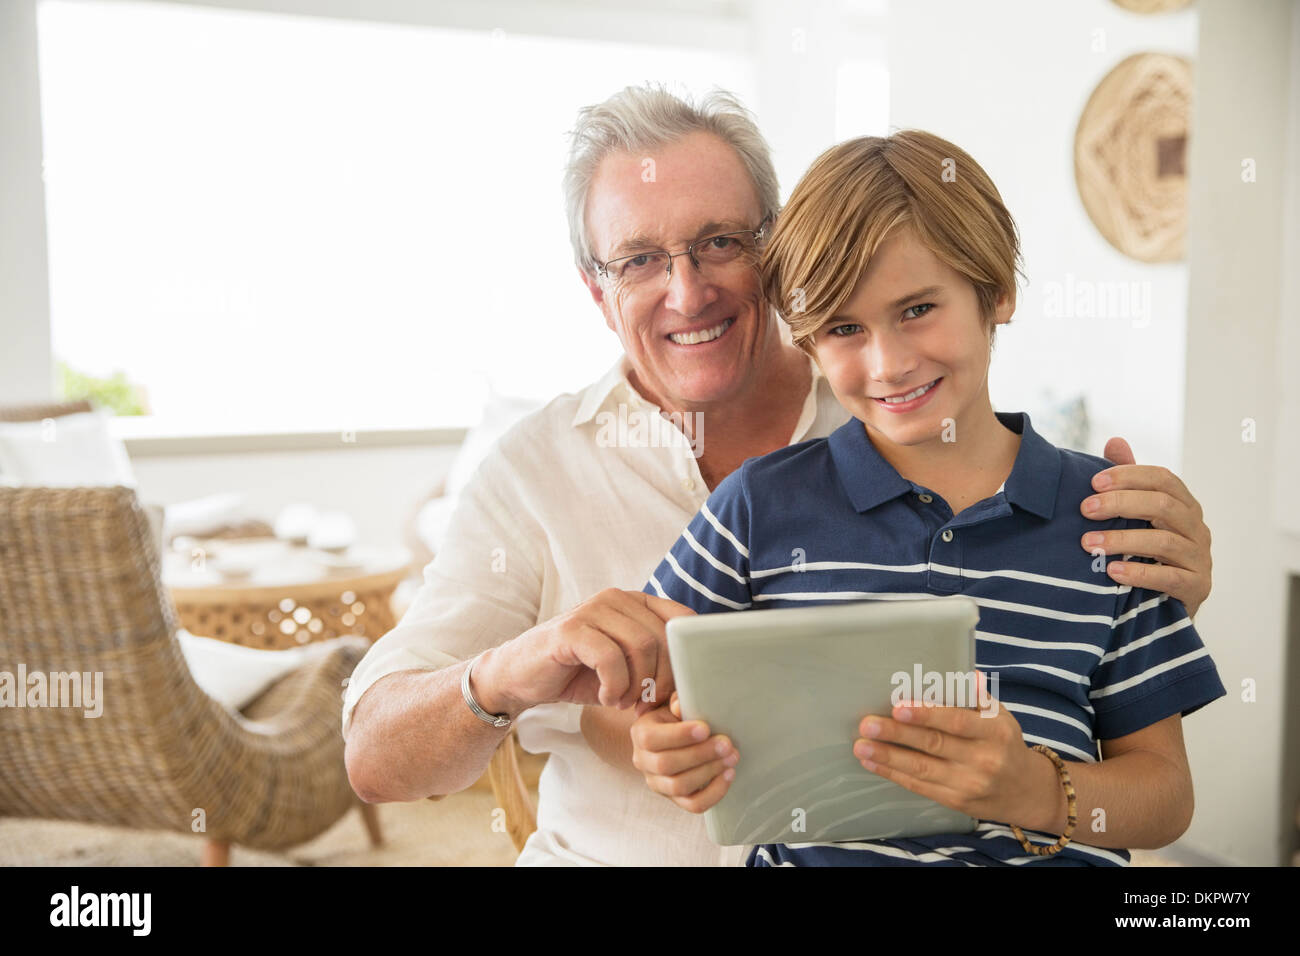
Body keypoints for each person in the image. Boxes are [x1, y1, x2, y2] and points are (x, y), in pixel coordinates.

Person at [341, 85, 1216, 867]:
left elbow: (1150, 777)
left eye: (719, 242)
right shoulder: (566, 476)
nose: (687, 292)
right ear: (595, 290)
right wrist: (515, 676)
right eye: (639, 259)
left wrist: (1175, 571)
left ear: (774, 259)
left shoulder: (982, 455)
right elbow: (386, 757)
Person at [631, 129, 1226, 866]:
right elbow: (649, 693)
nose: (889, 362)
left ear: (997, 290)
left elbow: (1165, 799)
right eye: (845, 328)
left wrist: (1032, 791)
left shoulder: (1112, 517)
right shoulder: (757, 506)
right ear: (809, 342)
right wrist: (661, 751)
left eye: (917, 309)